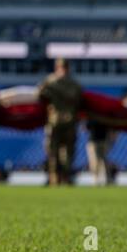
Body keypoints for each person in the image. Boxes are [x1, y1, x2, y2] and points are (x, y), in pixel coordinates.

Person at [38, 57, 83, 186]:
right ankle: (66, 177)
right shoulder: (75, 84)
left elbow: (40, 96)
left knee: (52, 151)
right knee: (68, 151)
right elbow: (80, 102)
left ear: (57, 67)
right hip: (71, 120)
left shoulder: (50, 81)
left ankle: (54, 177)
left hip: (54, 120)